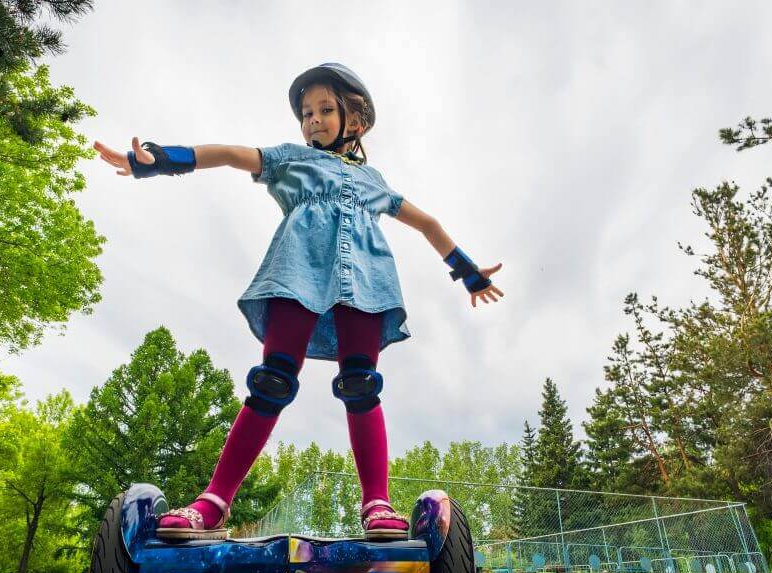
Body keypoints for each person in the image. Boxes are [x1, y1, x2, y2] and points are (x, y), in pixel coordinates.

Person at [93, 63, 504, 541]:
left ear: (356, 120)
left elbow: (428, 223)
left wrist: (468, 273)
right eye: (307, 112)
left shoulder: (376, 182)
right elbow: (228, 154)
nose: (313, 119)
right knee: (271, 381)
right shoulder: (291, 159)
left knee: (361, 384)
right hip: (296, 275)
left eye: (325, 109)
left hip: (366, 285)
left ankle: (377, 504)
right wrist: (162, 159)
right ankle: (214, 501)